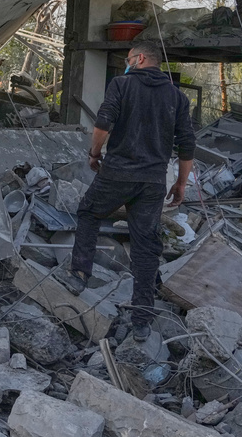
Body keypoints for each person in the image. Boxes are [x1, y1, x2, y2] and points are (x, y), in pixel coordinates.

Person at [59, 40, 196, 342]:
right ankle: (142, 320)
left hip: (118, 173)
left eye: (129, 58)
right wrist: (181, 183)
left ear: (140, 59)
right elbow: (187, 145)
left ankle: (79, 274)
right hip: (152, 182)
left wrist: (95, 153)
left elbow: (103, 123)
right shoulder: (177, 97)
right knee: (146, 245)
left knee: (88, 212)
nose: (126, 63)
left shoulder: (121, 84)